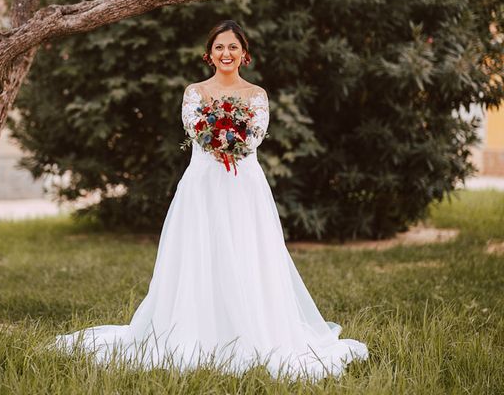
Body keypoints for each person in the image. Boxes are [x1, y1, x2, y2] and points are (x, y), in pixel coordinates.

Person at [53, 20, 368, 380]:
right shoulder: (195, 92)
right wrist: (216, 138)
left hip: (244, 187)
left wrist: (232, 139)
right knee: (201, 253)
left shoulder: (256, 95)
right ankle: (195, 330)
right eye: (219, 47)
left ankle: (255, 331)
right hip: (202, 185)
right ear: (209, 54)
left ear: (244, 54)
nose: (226, 53)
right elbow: (195, 129)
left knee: (247, 252)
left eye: (233, 47)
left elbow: (255, 137)